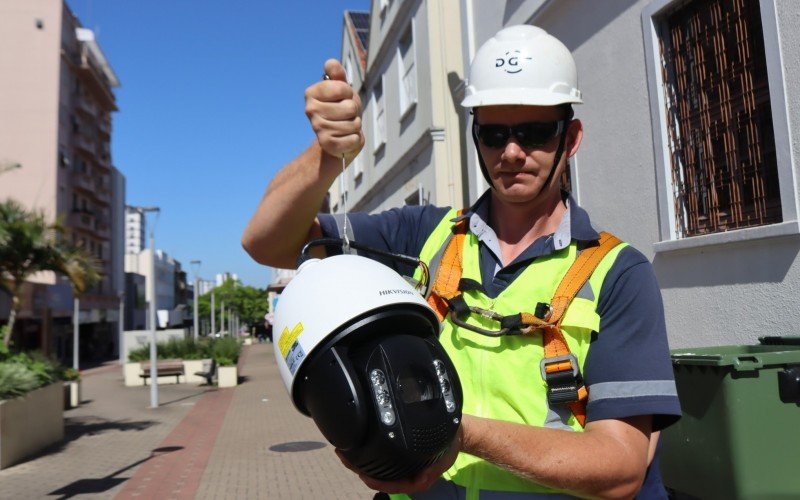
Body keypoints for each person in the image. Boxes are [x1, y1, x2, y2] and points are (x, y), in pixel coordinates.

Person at [243, 25, 680, 499]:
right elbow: (267, 243)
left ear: (570, 138)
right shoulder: (421, 235)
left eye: (534, 132)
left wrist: (458, 434)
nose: (511, 152)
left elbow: (619, 467)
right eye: (494, 133)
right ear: (476, 136)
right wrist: (327, 157)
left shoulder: (618, 273)